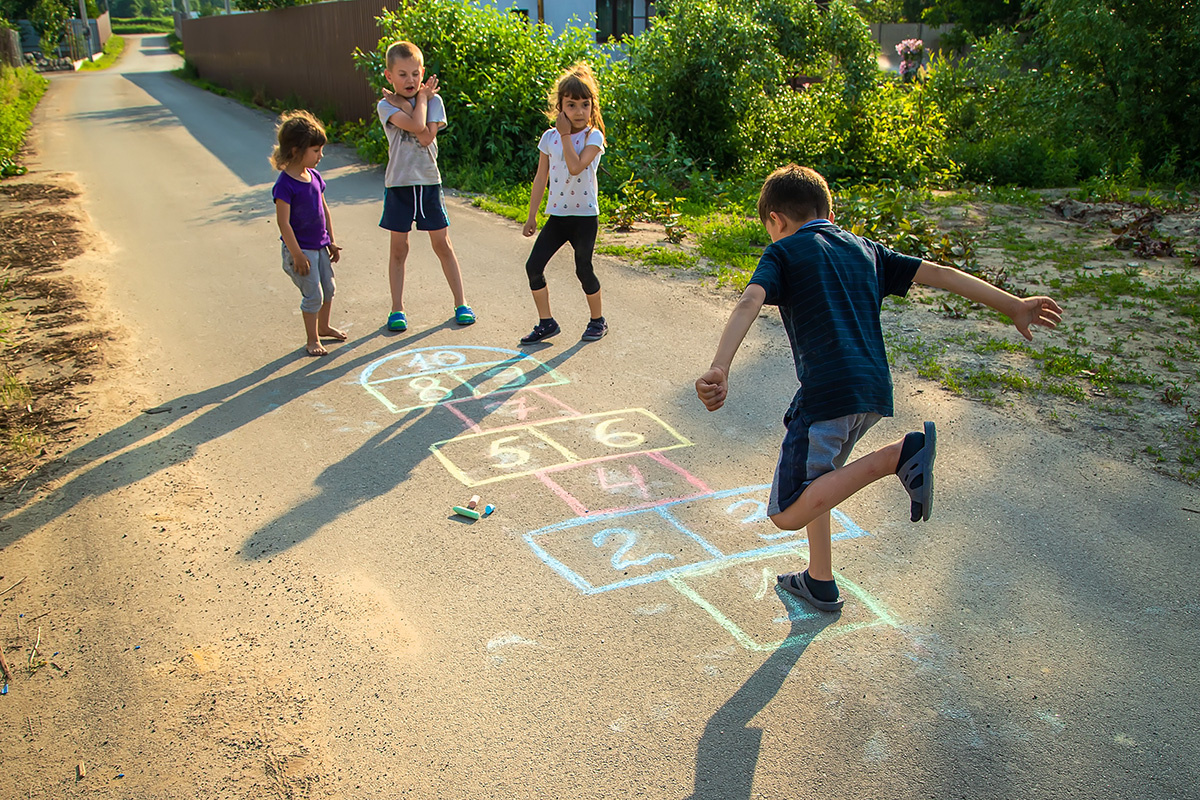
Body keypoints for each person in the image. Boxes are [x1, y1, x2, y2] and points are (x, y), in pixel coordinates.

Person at [695, 165, 1063, 612]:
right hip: (871, 388)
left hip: (827, 392)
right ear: (828, 209)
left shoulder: (785, 251)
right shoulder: (865, 249)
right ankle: (819, 579)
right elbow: (942, 274)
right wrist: (1014, 304)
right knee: (822, 478)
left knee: (786, 512)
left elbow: (751, 298)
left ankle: (898, 455)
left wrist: (720, 366)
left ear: (775, 220)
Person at [377, 40, 474, 332]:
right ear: (389, 76)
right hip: (399, 185)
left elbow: (424, 137)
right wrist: (417, 101)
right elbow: (419, 125)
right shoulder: (386, 105)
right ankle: (397, 309)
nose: (410, 80)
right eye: (402, 74)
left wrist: (411, 103)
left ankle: (461, 303)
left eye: (415, 74)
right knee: (399, 249)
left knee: (442, 244)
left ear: (423, 72)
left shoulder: (435, 101)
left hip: (429, 183)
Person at [519, 63, 608, 344]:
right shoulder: (549, 138)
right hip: (557, 217)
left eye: (585, 104)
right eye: (571, 105)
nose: (579, 111)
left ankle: (598, 320)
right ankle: (547, 322)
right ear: (561, 107)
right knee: (533, 266)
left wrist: (567, 134)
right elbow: (540, 177)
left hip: (584, 218)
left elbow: (575, 167)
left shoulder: (594, 136)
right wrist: (532, 215)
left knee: (583, 268)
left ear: (592, 106)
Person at [271, 110, 345, 357]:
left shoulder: (314, 176)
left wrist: (331, 240)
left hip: (320, 245)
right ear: (295, 150)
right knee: (313, 294)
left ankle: (323, 326)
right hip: (301, 249)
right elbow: (283, 223)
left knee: (330, 288)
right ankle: (312, 339)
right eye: (315, 151)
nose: (320, 156)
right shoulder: (285, 184)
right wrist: (297, 254)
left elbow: (324, 208)